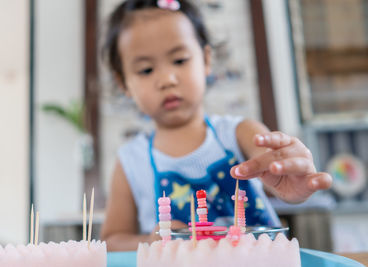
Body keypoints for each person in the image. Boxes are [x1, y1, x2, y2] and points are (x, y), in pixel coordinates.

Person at [100, 0, 332, 251]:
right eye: (146, 70)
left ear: (206, 60)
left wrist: (288, 177)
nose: (167, 79)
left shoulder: (241, 133)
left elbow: (273, 167)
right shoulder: (130, 161)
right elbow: (112, 240)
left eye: (179, 60)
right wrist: (148, 241)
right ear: (123, 83)